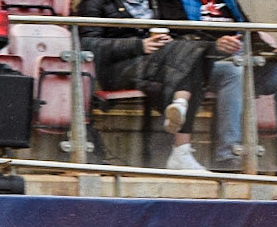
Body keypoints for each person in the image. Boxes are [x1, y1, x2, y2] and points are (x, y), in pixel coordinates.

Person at [157, 0, 277, 176]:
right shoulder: (176, 3)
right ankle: (228, 157)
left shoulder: (229, 2)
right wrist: (214, 46)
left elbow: (250, 34)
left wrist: (272, 52)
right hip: (202, 68)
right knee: (233, 71)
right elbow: (178, 42)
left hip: (240, 62)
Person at [76, 0, 217, 171]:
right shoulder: (93, 3)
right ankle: (181, 145)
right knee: (189, 59)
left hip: (157, 65)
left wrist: (166, 41)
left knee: (190, 56)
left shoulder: (154, 2)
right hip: (116, 69)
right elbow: (88, 44)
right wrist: (139, 45)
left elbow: (179, 33)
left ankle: (180, 106)